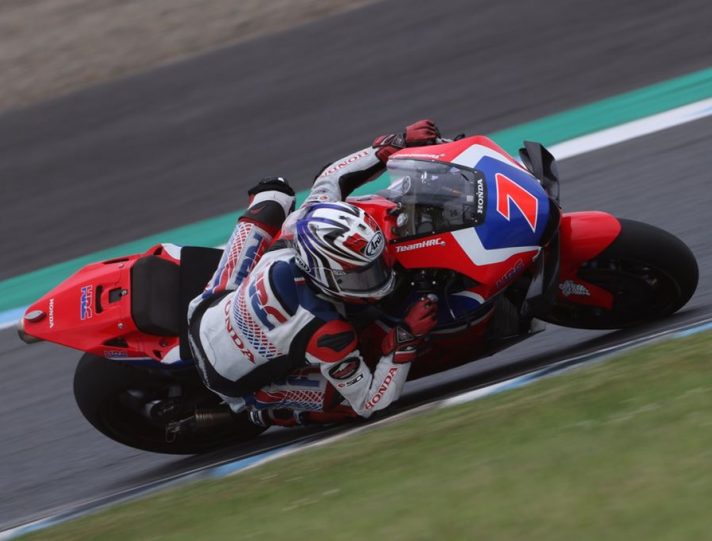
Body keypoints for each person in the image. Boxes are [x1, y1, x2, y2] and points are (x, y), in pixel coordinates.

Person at [187, 120, 442, 427]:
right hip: (225, 378)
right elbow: (371, 402)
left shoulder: (302, 222)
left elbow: (330, 178)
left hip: (211, 303)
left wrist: (392, 146)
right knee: (345, 400)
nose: (377, 278)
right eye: (361, 275)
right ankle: (264, 411)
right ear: (324, 274)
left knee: (274, 193)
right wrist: (405, 339)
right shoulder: (329, 332)